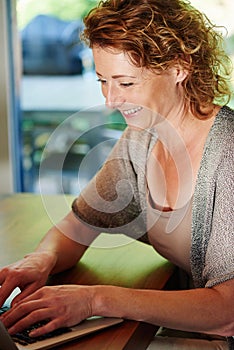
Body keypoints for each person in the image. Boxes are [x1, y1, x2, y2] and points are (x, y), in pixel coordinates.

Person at [0, 0, 233, 348]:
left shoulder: (226, 156)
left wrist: (94, 300)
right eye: (103, 81)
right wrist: (41, 259)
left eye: (125, 83)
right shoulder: (142, 135)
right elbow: (81, 222)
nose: (110, 100)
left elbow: (227, 309)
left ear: (180, 67)